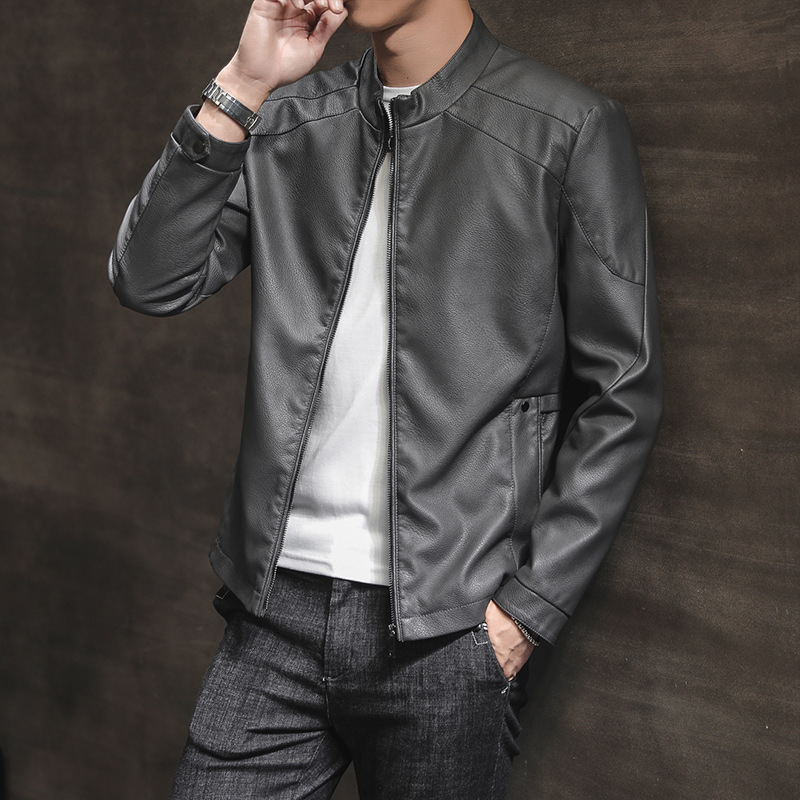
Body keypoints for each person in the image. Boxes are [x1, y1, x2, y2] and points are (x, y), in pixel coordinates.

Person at [109, 0, 663, 797]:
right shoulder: (288, 116)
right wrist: (243, 83)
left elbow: (622, 391)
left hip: (450, 625)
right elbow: (150, 279)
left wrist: (525, 613)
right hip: (274, 610)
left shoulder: (563, 128)